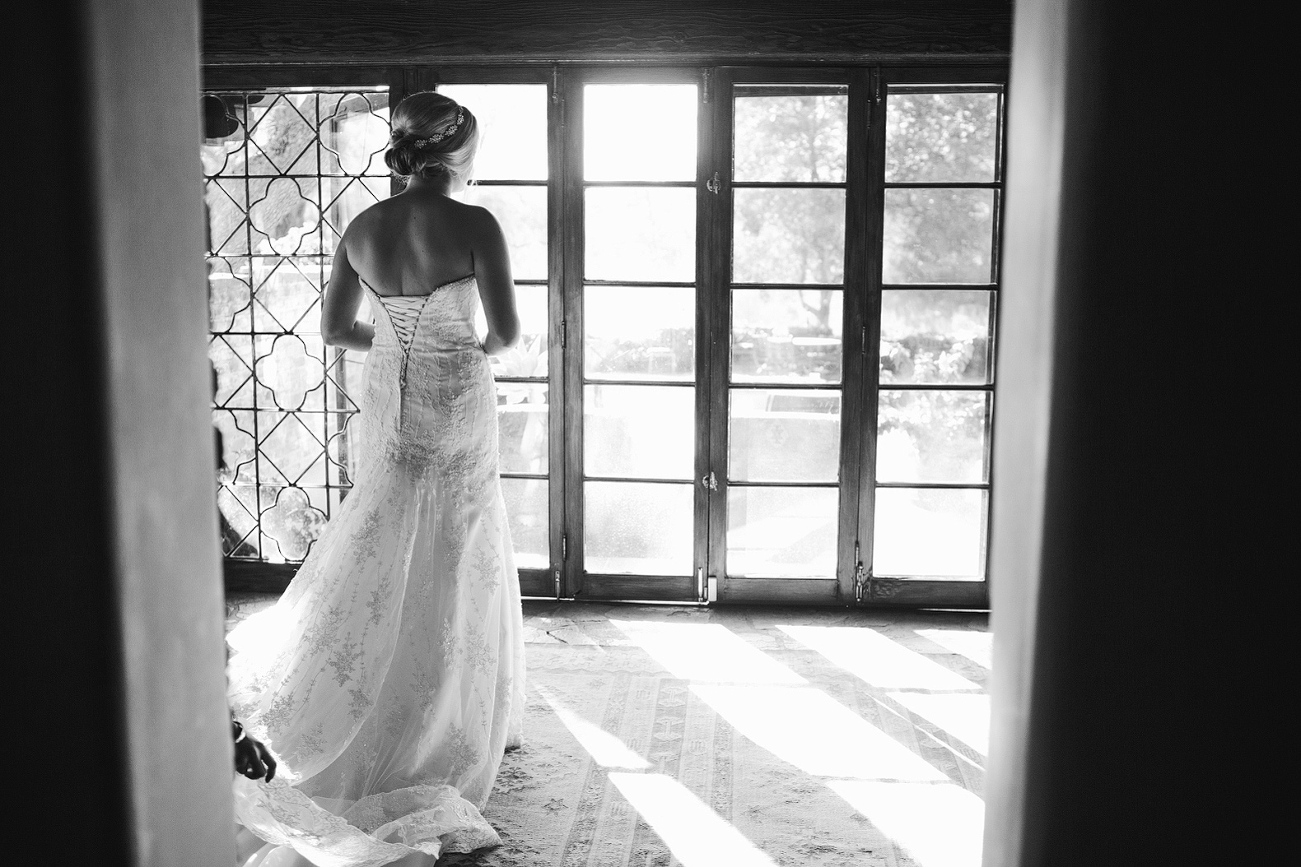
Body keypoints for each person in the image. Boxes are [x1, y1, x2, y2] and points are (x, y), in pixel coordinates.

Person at [225, 91, 526, 867]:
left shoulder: (361, 226)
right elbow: (507, 335)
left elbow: (332, 329)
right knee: (457, 535)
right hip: (456, 394)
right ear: (457, 151)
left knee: (386, 519)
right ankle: (443, 705)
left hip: (389, 391)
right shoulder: (476, 224)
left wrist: (395, 342)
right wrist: (449, 344)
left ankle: (364, 674)